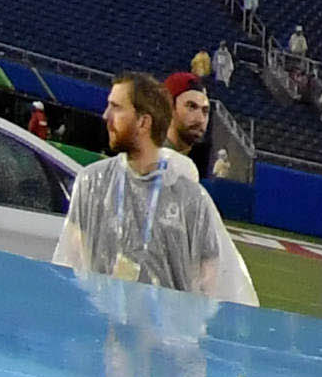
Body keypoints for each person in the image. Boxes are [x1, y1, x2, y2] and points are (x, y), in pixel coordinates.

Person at [53, 72, 255, 304]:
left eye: (205, 110)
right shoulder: (167, 172)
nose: (200, 117)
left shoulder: (185, 184)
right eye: (191, 106)